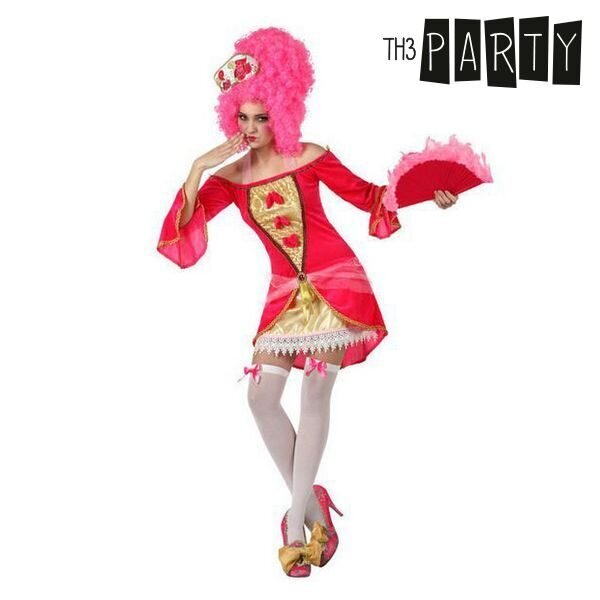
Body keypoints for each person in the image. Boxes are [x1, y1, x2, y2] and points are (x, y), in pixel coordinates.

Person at [156, 27, 458, 577]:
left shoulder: (312, 156)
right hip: (284, 298)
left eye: (261, 117)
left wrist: (428, 194)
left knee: (315, 390)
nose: (251, 129)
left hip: (336, 283)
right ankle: (314, 504)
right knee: (260, 398)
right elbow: (182, 228)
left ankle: (296, 526)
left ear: (283, 110)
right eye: (242, 118)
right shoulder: (230, 178)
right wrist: (198, 168)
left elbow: (371, 196)